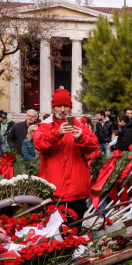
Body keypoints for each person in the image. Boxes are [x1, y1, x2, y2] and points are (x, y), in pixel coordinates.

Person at [34, 88, 98, 219]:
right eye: (58, 106)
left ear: (70, 107)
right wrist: (57, 133)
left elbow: (94, 145)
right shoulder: (45, 126)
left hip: (77, 189)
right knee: (55, 232)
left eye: (66, 106)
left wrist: (81, 138)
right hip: (54, 189)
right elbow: (39, 145)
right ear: (53, 107)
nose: (62, 110)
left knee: (75, 230)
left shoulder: (79, 125)